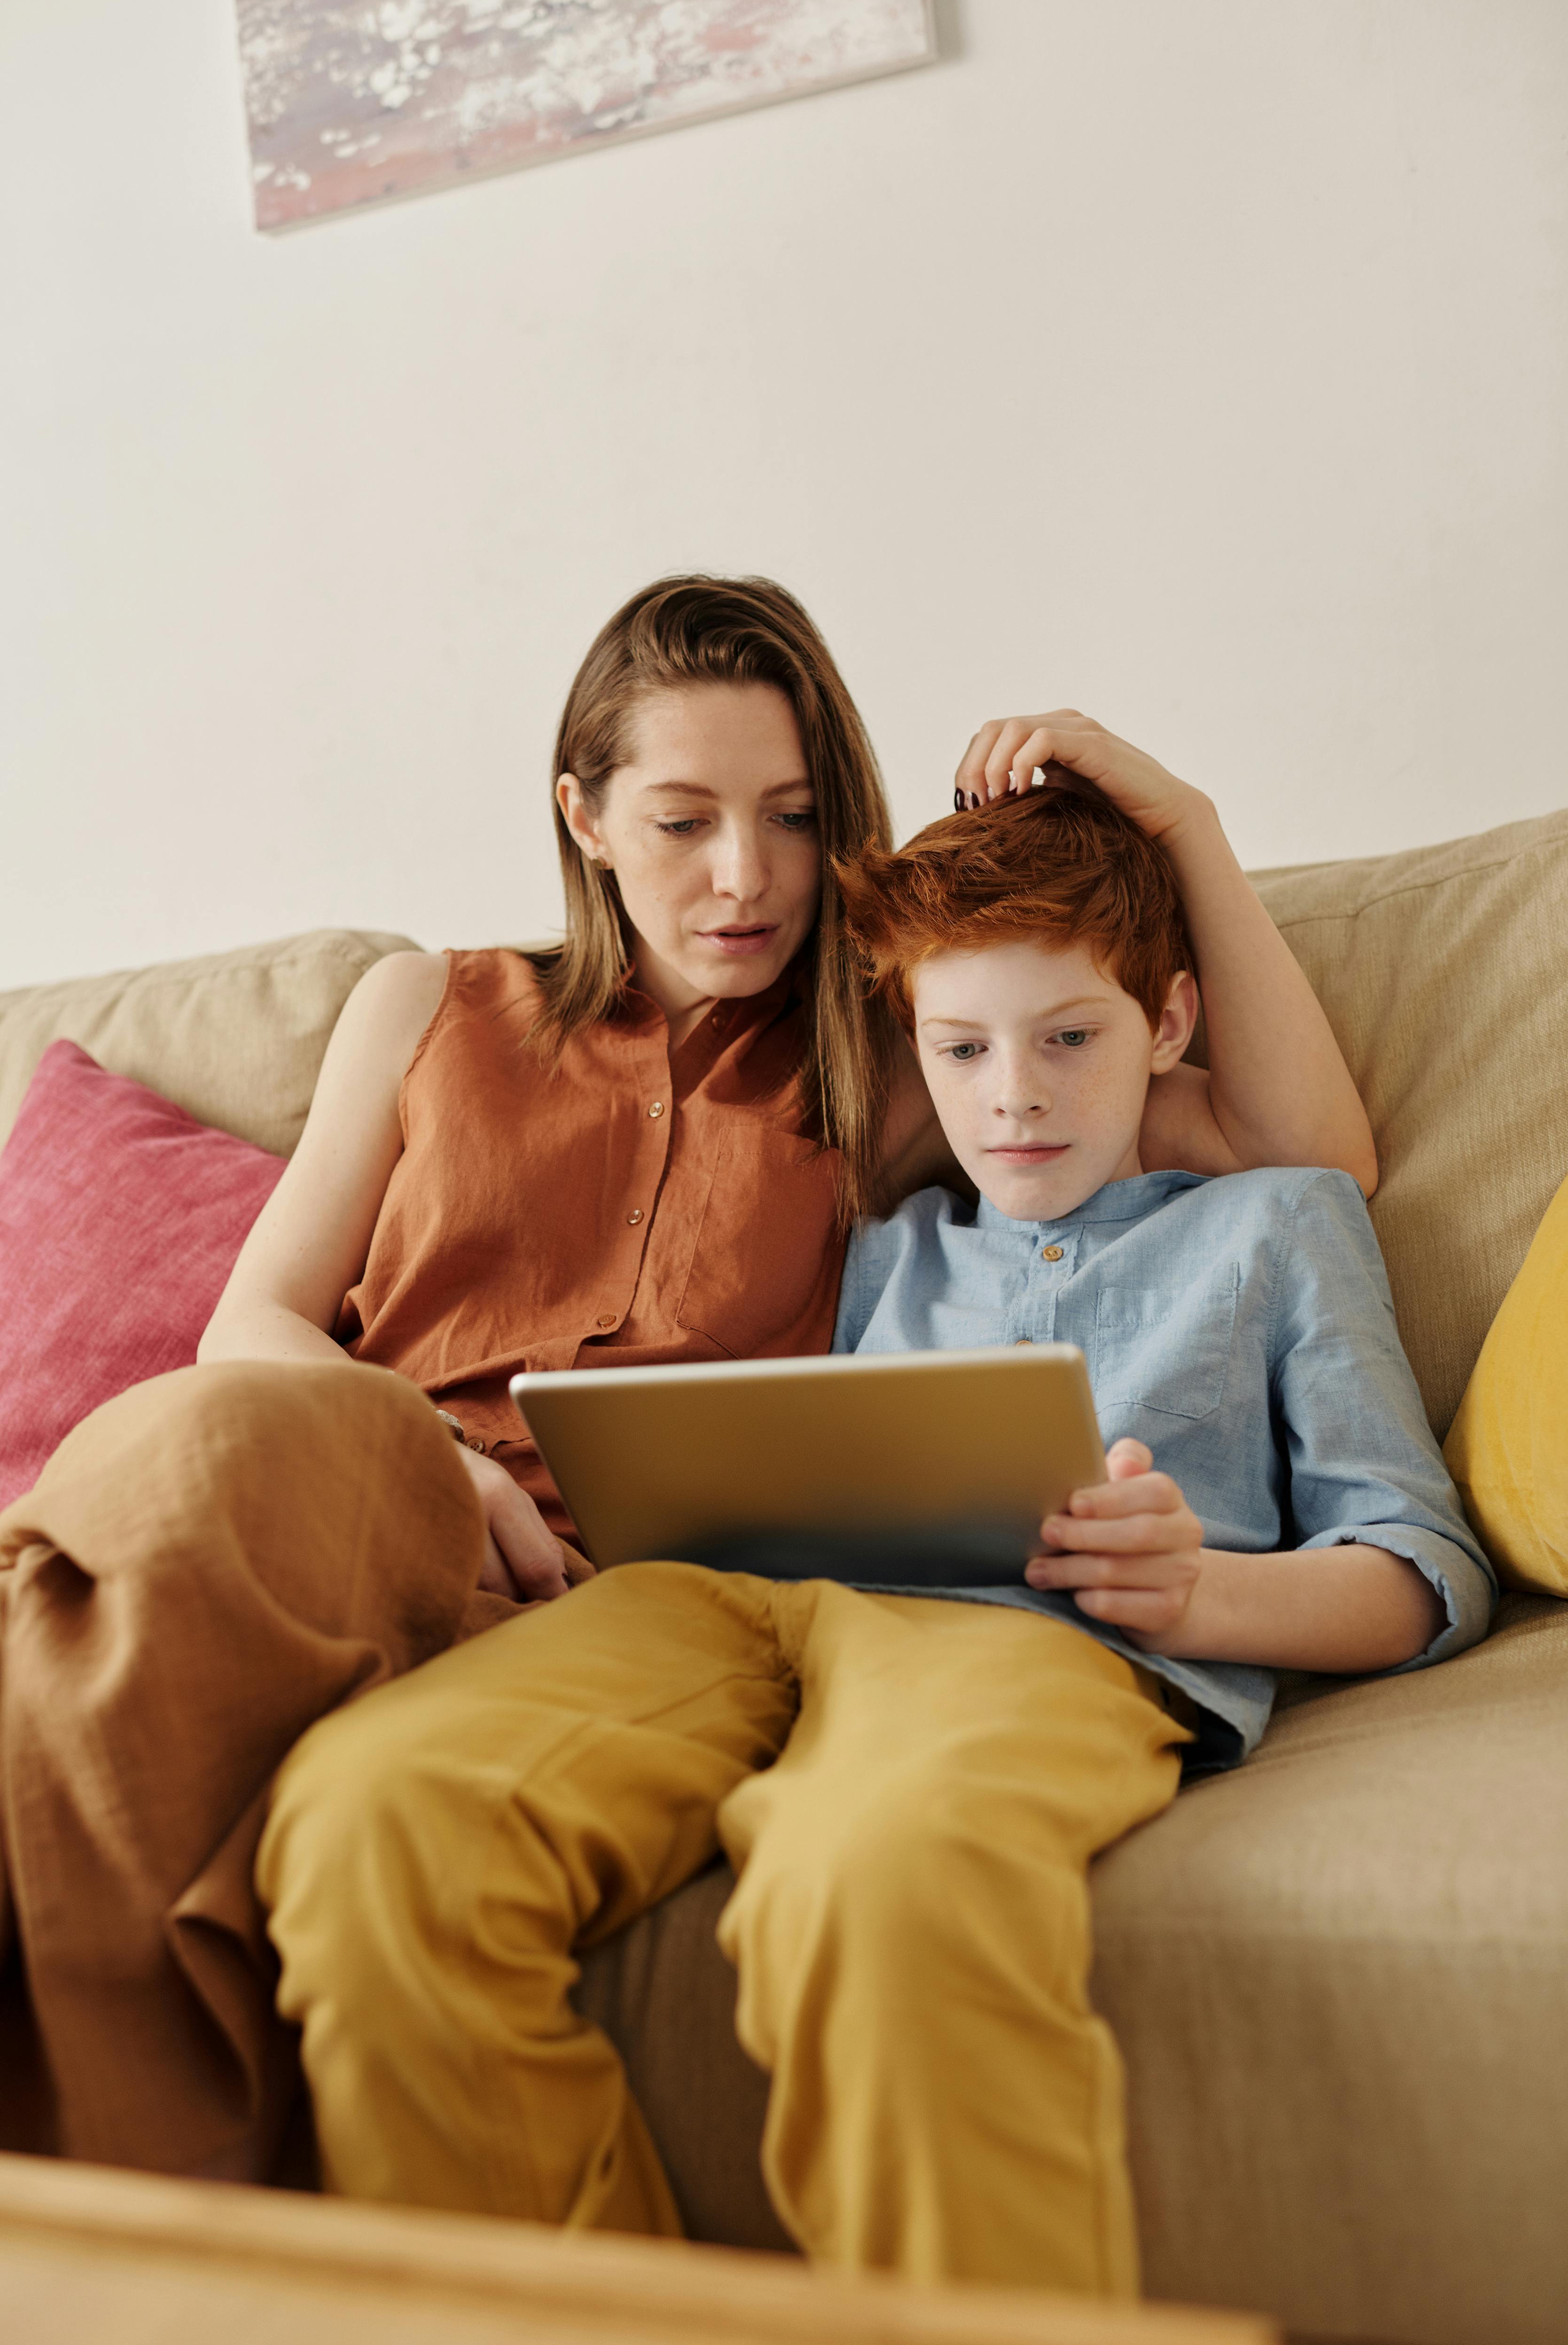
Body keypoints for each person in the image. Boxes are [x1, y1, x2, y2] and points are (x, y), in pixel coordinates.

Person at [0, 575, 1373, 2188]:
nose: (744, 879)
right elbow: (258, 1324)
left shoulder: (896, 1057)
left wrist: (1185, 821)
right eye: (681, 820)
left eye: (792, 820)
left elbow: (1299, 1158)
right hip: (357, 1483)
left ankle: (113, 2230)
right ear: (580, 816)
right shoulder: (426, 1005)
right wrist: (427, 1460)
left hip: (610, 1599)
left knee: (133, 1679)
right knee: (200, 1457)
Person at [255, 782, 1491, 2295]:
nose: (1013, 1098)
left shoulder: (1276, 1221)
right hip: (733, 1598)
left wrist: (1203, 1593)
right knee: (369, 1809)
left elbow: (1418, 1565)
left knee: (871, 1868)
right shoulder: (888, 1233)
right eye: (960, 1051)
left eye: (1069, 1040)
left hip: (1034, 1632)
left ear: (1168, 1024)